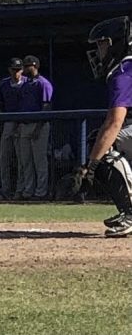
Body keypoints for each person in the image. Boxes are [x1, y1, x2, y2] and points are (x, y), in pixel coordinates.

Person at [82, 15, 132, 237]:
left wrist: (90, 167)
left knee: (101, 144)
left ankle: (130, 213)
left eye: (102, 43)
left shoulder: (122, 70)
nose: (99, 50)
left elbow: (114, 122)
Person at [0, 57, 27, 201]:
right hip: (8, 122)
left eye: (18, 70)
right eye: (13, 70)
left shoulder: (27, 84)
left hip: (23, 123)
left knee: (21, 159)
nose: (16, 73)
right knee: (4, 158)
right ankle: (5, 190)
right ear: (9, 70)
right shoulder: (4, 83)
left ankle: (19, 190)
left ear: (22, 70)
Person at [18, 55, 53, 200]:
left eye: (28, 66)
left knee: (39, 161)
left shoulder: (43, 83)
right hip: (25, 124)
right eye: (24, 66)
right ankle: (28, 191)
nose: (25, 69)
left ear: (35, 66)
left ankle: (41, 192)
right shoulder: (25, 84)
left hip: (39, 125)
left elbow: (46, 107)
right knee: (26, 161)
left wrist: (38, 127)